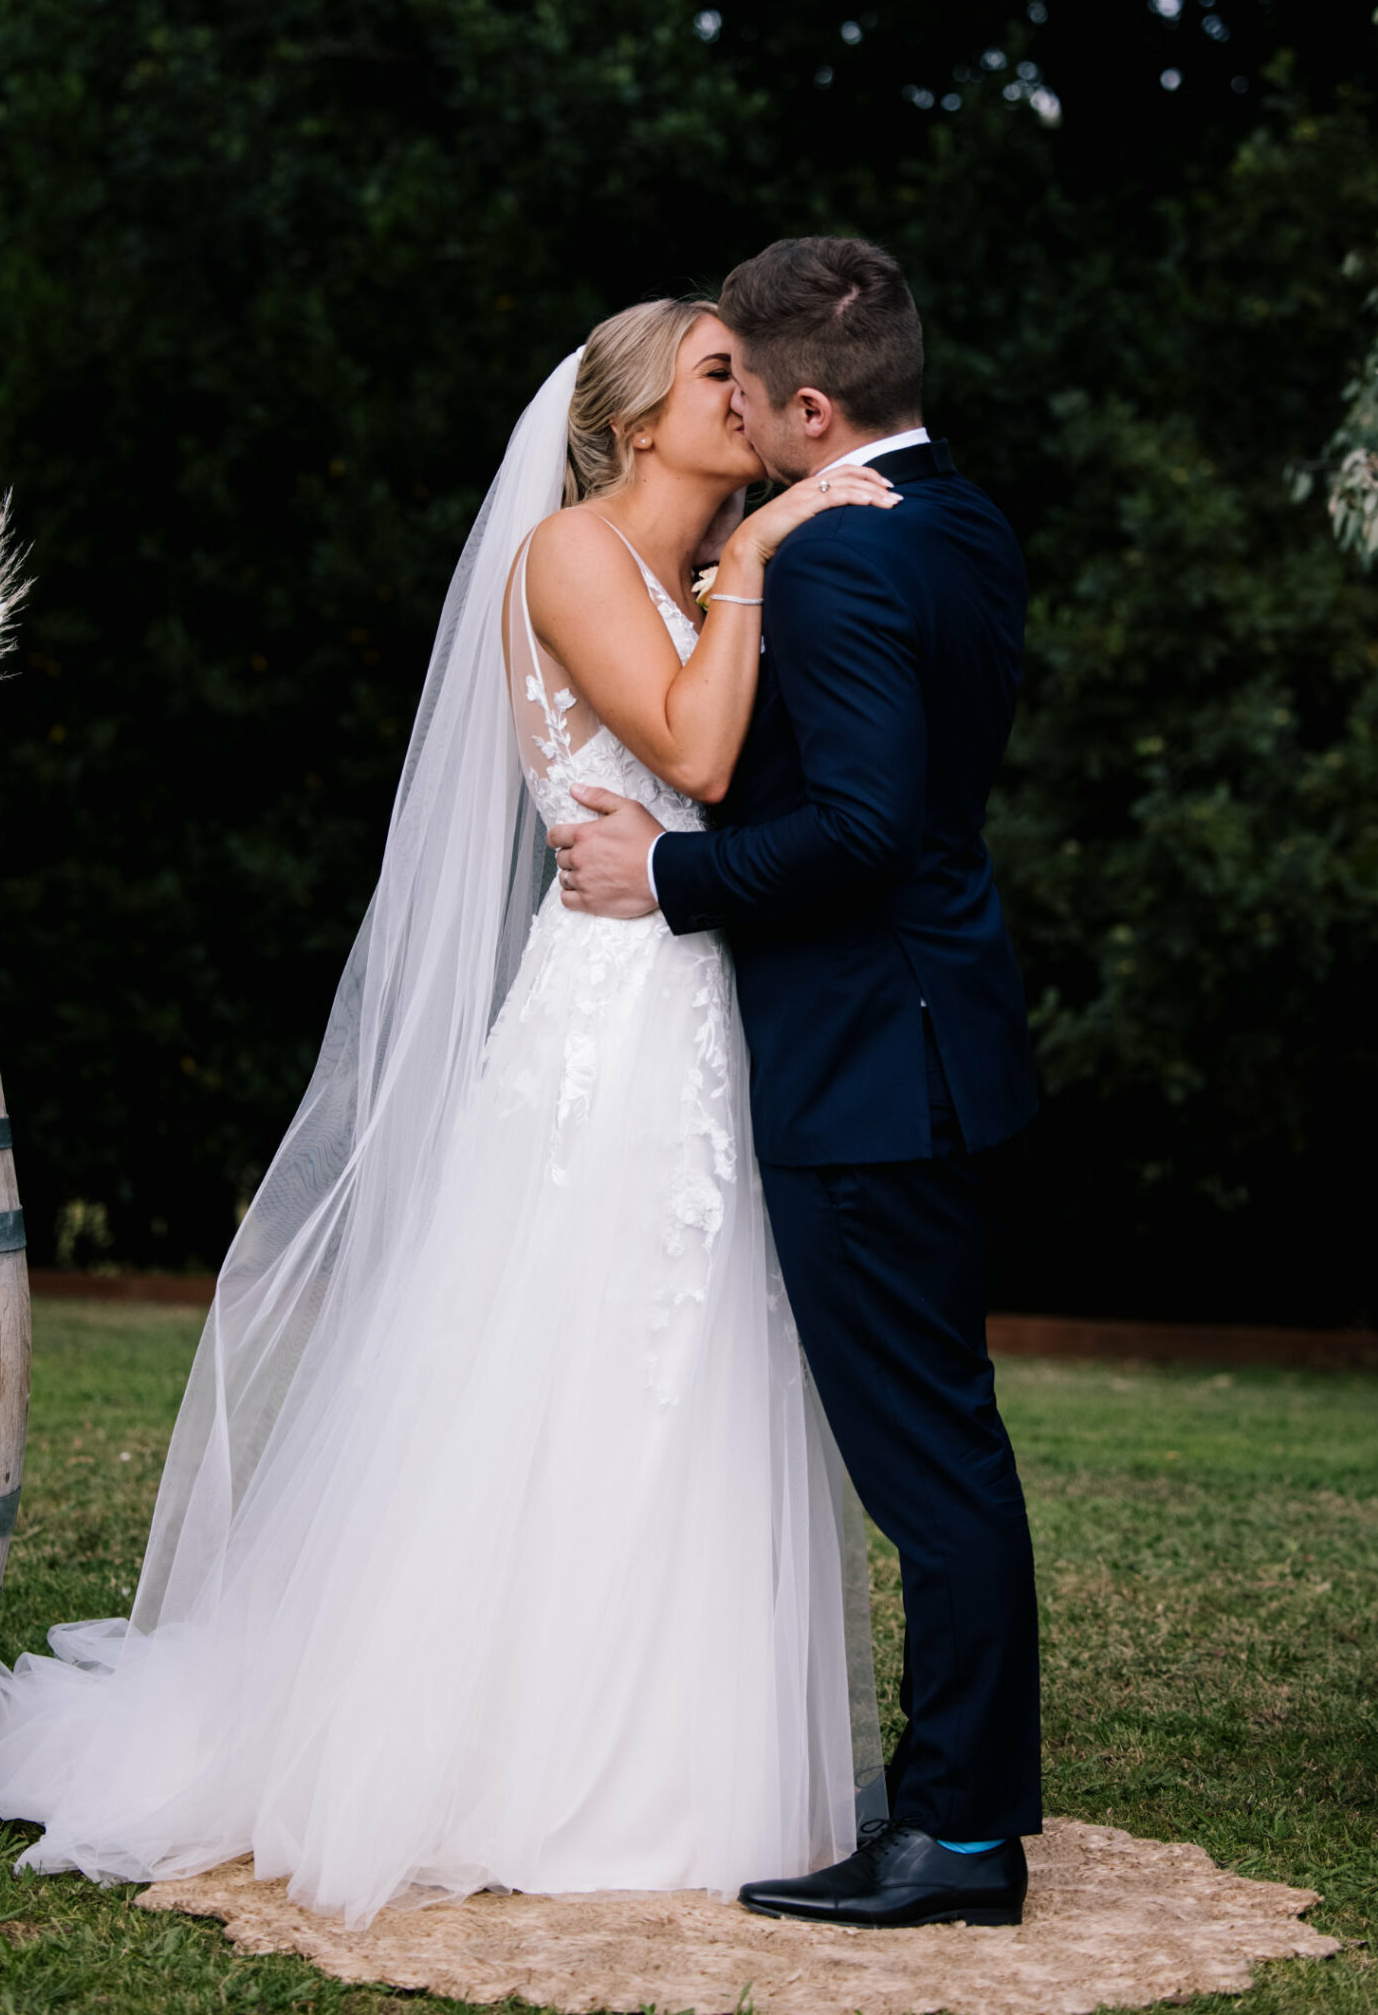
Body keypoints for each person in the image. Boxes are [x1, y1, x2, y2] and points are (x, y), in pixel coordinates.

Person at [0, 298, 897, 1929]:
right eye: (720, 369)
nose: (758, 397)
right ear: (639, 411)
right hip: (607, 1027)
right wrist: (767, 554)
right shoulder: (577, 556)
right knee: (572, 1362)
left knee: (699, 1369)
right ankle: (501, 1755)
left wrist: (752, 569)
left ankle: (685, 1758)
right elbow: (698, 756)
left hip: (710, 1015)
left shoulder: (704, 568)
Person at [549, 235, 1042, 1931]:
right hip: (937, 1041)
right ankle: (957, 1812)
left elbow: (861, 829)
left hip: (864, 1068)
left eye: (745, 392)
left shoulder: (833, 565)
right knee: (946, 1447)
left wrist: (671, 880)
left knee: (932, 1468)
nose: (738, 420)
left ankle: (959, 1839)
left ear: (808, 405)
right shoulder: (962, 524)